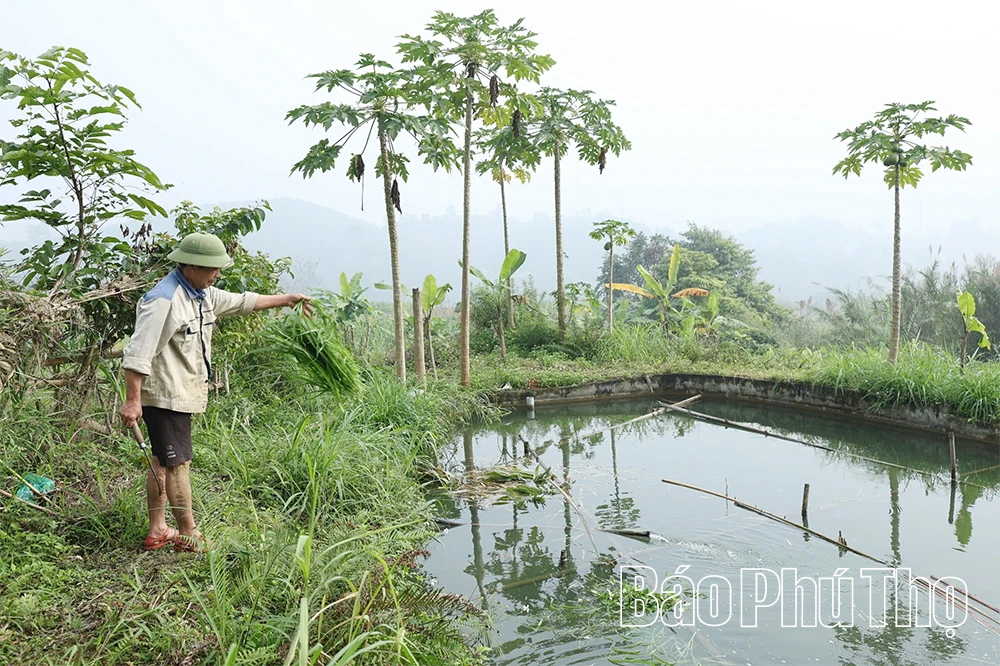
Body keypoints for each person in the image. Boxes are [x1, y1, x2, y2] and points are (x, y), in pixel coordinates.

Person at [119, 232, 312, 552]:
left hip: (179, 394)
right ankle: (188, 535)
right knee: (178, 465)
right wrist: (132, 401)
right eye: (212, 268)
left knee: (162, 460)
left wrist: (286, 299)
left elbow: (242, 302)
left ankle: (158, 529)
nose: (217, 274)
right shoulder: (164, 300)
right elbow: (137, 354)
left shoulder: (201, 294)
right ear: (190, 266)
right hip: (165, 396)